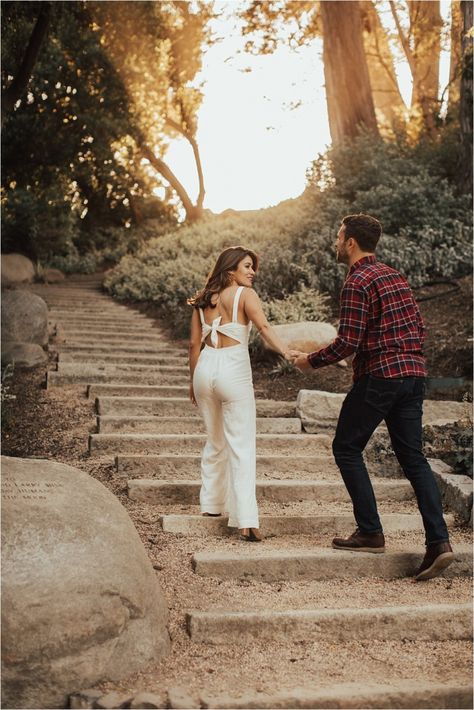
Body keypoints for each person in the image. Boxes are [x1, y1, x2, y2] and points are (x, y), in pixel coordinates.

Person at [292, 213, 454, 581]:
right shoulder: (395, 275)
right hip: (412, 375)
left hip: (380, 377)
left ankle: (370, 531)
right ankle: (439, 543)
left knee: (346, 448)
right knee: (414, 459)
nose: (336, 242)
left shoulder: (357, 280)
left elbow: (347, 340)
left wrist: (309, 362)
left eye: (338, 236)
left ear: (350, 242)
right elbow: (418, 328)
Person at [188, 246, 293, 542]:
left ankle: (210, 505)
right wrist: (287, 351)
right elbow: (264, 327)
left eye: (252, 267)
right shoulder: (245, 296)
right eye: (247, 266)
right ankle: (246, 520)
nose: (252, 272)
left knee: (215, 440)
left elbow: (194, 345)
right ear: (231, 268)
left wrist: (192, 381)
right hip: (232, 369)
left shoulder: (201, 301)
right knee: (242, 445)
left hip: (205, 369)